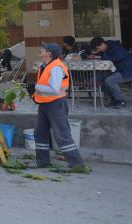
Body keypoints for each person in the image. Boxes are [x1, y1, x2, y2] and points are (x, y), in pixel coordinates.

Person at [29, 42, 85, 170]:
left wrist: (35, 86)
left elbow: (54, 89)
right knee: (40, 133)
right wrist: (34, 92)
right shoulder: (45, 66)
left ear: (49, 53)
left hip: (55, 104)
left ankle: (77, 164)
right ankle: (42, 161)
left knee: (62, 134)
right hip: (45, 104)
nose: (40, 49)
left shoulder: (56, 67)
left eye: (43, 48)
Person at [89, 37, 132, 109]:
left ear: (102, 44)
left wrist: (100, 55)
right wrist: (98, 56)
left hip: (127, 71)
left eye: (98, 48)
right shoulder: (108, 48)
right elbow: (107, 58)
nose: (98, 50)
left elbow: (114, 58)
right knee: (99, 78)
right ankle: (112, 99)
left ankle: (121, 101)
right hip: (118, 71)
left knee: (109, 81)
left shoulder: (116, 48)